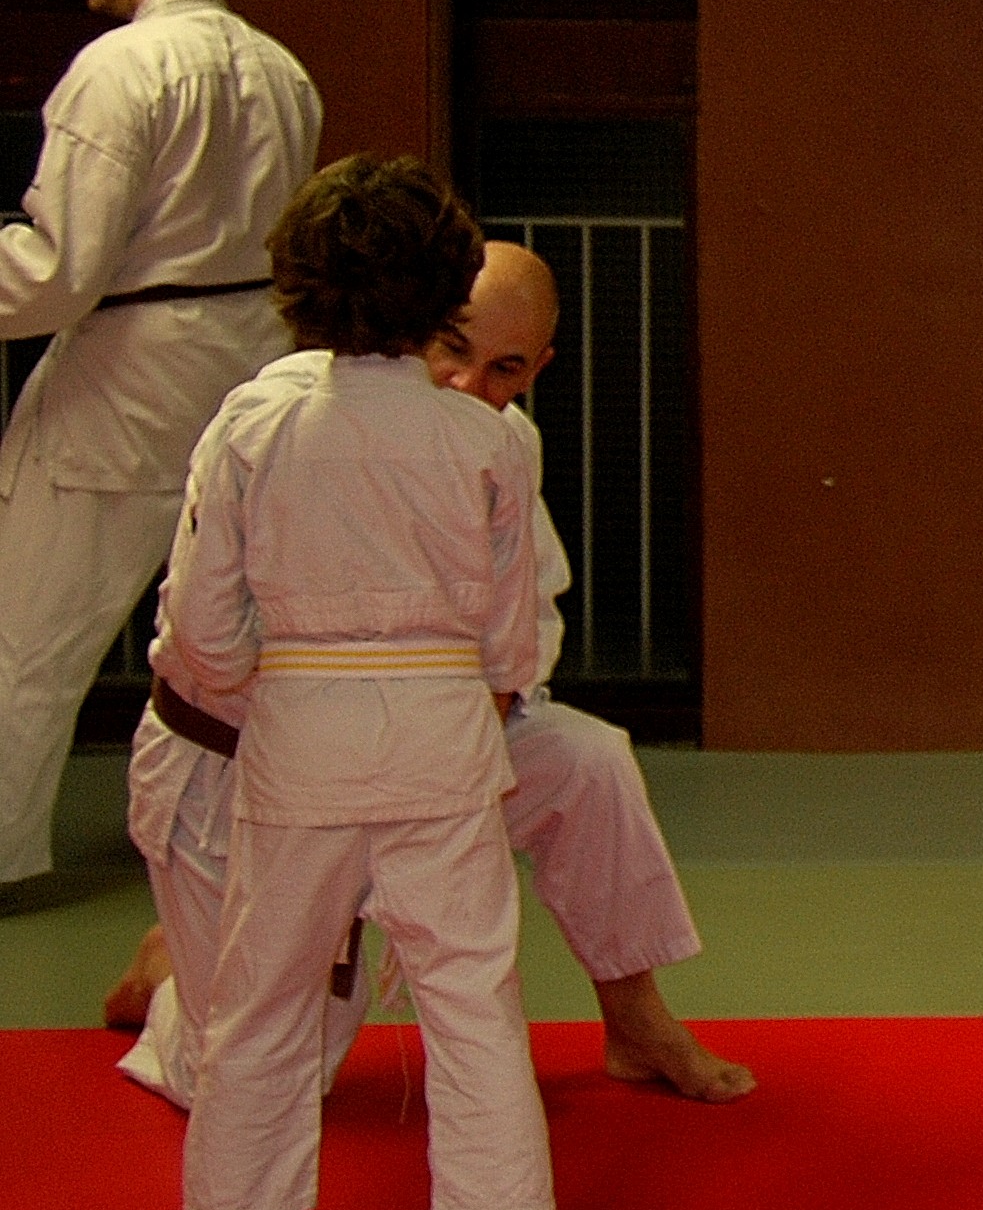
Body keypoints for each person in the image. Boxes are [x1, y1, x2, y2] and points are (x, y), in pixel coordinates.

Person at [106, 239, 751, 1110]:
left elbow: (523, 634)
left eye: (505, 368)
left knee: (585, 761)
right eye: (454, 347)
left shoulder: (500, 443)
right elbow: (206, 646)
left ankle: (636, 1019)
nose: (469, 384)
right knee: (265, 1080)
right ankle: (170, 976)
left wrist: (443, 769)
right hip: (246, 764)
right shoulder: (281, 422)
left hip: (420, 751)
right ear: (411, 326)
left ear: (537, 369)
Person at [122, 157, 601, 1210]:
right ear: (444, 285)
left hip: (301, 738)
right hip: (444, 737)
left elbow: (202, 627)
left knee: (262, 996)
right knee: (472, 991)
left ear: (296, 280)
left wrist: (284, 682)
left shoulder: (260, 421)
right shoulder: (485, 441)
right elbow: (509, 639)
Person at [0, 0, 318, 887]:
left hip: (124, 393)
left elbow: (59, 271)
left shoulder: (118, 69)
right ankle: (264, 846)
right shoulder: (282, 71)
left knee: (26, 642)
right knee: (236, 639)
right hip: (249, 379)